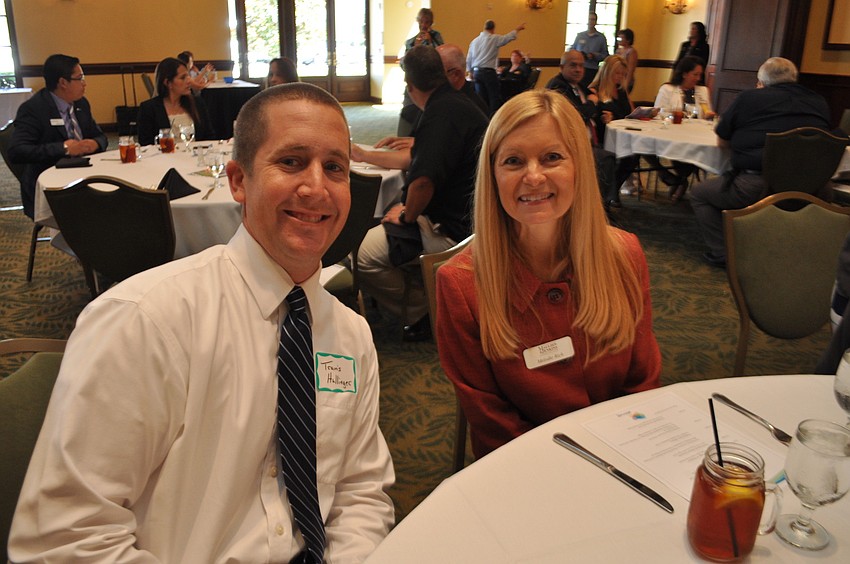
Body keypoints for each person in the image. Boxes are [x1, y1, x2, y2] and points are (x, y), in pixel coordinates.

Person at [8, 83, 395, 563]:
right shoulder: (146, 321)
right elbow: (64, 540)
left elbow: (360, 492)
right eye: (291, 161)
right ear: (238, 180)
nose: (317, 187)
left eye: (334, 167)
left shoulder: (350, 335)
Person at [435, 89, 661, 458]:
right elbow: (492, 421)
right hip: (526, 467)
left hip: (625, 456)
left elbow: (643, 381)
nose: (534, 176)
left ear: (580, 166)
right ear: (493, 176)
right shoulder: (460, 284)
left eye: (552, 157)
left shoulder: (625, 254)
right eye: (513, 161)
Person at [357, 45, 488, 342]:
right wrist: (364, 155)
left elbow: (423, 183)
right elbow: (418, 160)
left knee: (362, 256)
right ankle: (430, 294)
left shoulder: (441, 114)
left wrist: (407, 214)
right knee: (386, 213)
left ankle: (426, 310)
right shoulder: (456, 103)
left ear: (410, 86)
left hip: (456, 228)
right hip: (472, 214)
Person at [690, 57, 831, 268]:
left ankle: (723, 253)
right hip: (814, 185)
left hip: (760, 185)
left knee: (700, 194)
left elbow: (722, 141)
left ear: (761, 81)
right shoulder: (818, 101)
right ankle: (797, 249)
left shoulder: (750, 99)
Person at [351, 43, 489, 164]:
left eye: (437, 72)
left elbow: (420, 170)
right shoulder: (442, 99)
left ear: (456, 74)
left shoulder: (458, 107)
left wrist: (364, 155)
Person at [9, 53, 107, 219]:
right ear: (63, 83)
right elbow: (17, 151)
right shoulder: (33, 109)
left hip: (84, 175)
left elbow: (101, 137)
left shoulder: (81, 104)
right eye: (79, 78)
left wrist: (95, 143)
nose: (84, 83)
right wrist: (64, 148)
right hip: (52, 185)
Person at [545, 50, 617, 209]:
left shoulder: (579, 86)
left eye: (581, 66)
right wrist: (592, 103)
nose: (578, 70)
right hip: (568, 145)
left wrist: (603, 115)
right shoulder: (557, 87)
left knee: (616, 156)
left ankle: (600, 203)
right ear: (562, 67)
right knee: (606, 159)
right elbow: (576, 115)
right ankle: (598, 206)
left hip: (587, 142)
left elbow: (595, 108)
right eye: (573, 65)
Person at [647, 55, 715, 202]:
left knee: (690, 151)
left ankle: (679, 179)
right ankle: (675, 178)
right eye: (695, 74)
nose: (698, 78)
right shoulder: (667, 89)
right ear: (684, 73)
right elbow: (658, 113)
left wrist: (709, 115)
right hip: (672, 133)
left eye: (700, 75)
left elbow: (705, 113)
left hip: (695, 135)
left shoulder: (702, 91)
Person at [589, 54, 635, 208]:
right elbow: (591, 117)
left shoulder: (621, 90)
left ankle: (613, 191)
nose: (619, 77)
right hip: (603, 137)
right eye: (617, 73)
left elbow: (630, 112)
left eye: (622, 74)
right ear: (607, 72)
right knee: (611, 158)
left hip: (622, 135)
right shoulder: (594, 91)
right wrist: (603, 118)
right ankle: (608, 195)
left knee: (634, 155)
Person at [136, 57, 215, 146]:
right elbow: (145, 144)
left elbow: (209, 137)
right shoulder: (149, 108)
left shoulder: (197, 103)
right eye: (183, 77)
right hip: (163, 158)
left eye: (188, 76)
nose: (189, 81)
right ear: (168, 83)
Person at [398, 8, 444, 136]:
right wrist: (415, 48)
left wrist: (430, 42)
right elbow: (404, 65)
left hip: (431, 86)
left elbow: (440, 58)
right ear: (417, 21)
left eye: (427, 22)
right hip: (413, 84)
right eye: (421, 21)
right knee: (408, 115)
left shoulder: (436, 37)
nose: (424, 25)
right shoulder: (410, 42)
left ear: (431, 23)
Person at [467, 19, 526, 115]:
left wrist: (470, 72)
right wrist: (518, 29)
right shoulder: (494, 39)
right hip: (488, 73)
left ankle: (484, 121)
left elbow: (469, 58)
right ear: (493, 29)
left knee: (481, 100)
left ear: (484, 28)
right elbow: (508, 38)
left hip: (477, 72)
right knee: (494, 98)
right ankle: (494, 120)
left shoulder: (474, 41)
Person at [571, 12, 609, 88]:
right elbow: (572, 49)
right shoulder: (580, 35)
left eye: (593, 19)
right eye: (589, 19)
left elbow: (605, 55)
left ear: (596, 22)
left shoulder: (601, 38)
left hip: (592, 70)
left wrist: (595, 55)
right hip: (579, 68)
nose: (591, 21)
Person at [615, 28, 638, 93]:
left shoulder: (632, 52)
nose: (618, 40)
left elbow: (630, 70)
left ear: (628, 40)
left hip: (625, 80)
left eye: (621, 38)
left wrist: (626, 84)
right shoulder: (618, 50)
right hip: (617, 79)